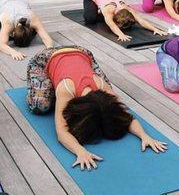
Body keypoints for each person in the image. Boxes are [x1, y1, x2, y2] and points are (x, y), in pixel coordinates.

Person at [26, 46, 167, 170]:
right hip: (47, 57)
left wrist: (144, 136)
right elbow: (61, 132)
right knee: (40, 106)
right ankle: (48, 79)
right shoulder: (66, 89)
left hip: (82, 52)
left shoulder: (103, 88)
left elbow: (124, 115)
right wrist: (80, 151)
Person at [83, 0, 166, 42]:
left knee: (116, 21)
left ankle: (100, 10)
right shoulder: (109, 9)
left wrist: (155, 29)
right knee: (91, 19)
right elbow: (112, 25)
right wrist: (121, 35)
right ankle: (99, 10)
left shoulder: (128, 9)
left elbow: (141, 20)